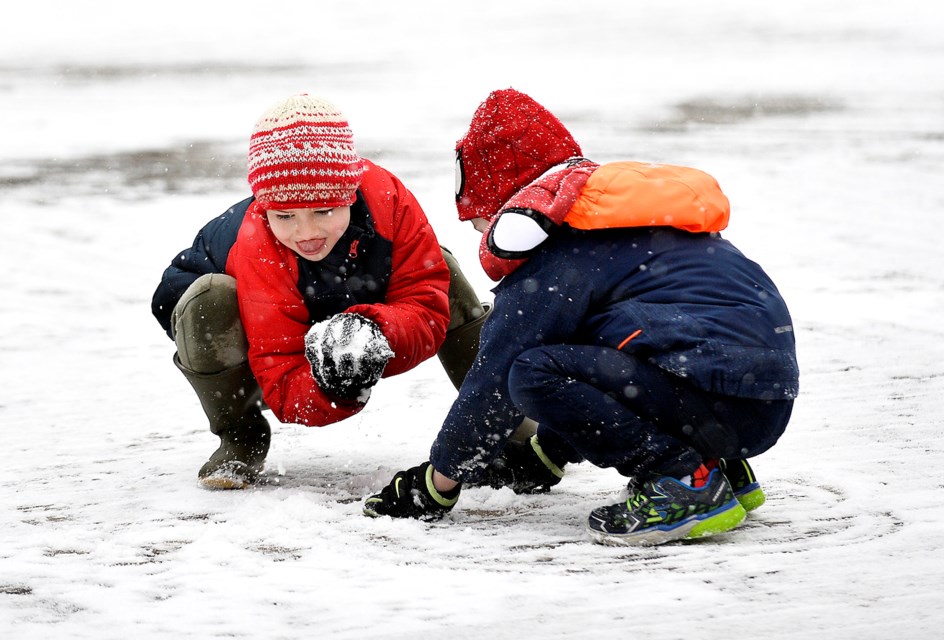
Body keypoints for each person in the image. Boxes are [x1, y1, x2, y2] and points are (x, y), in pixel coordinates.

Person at [363, 88, 799, 546]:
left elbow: (493, 379)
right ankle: (722, 468)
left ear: (509, 209)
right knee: (600, 344)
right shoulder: (613, 222)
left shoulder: (557, 254)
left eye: (479, 220)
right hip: (757, 401)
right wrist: (545, 455)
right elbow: (597, 364)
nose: (476, 233)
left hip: (714, 393)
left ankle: (683, 480)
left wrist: (436, 483)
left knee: (530, 372)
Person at [151, 93, 489, 489]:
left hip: (340, 294)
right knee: (209, 299)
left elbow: (426, 308)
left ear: (349, 195)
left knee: (442, 269)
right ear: (264, 209)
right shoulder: (257, 243)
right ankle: (239, 436)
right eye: (285, 216)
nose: (306, 232)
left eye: (325, 211)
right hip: (238, 324)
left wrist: (376, 334)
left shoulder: (389, 201)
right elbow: (280, 374)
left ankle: (503, 430)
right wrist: (335, 387)